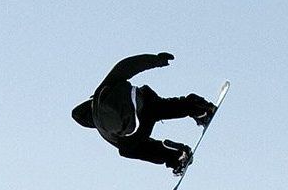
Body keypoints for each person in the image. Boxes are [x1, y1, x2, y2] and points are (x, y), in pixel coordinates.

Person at [70, 53, 216, 174]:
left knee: (128, 150)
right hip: (142, 101)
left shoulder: (104, 130)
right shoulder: (101, 93)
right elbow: (125, 67)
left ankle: (176, 155)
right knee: (158, 108)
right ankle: (199, 108)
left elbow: (135, 149)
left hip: (135, 129)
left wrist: (172, 156)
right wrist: (155, 60)